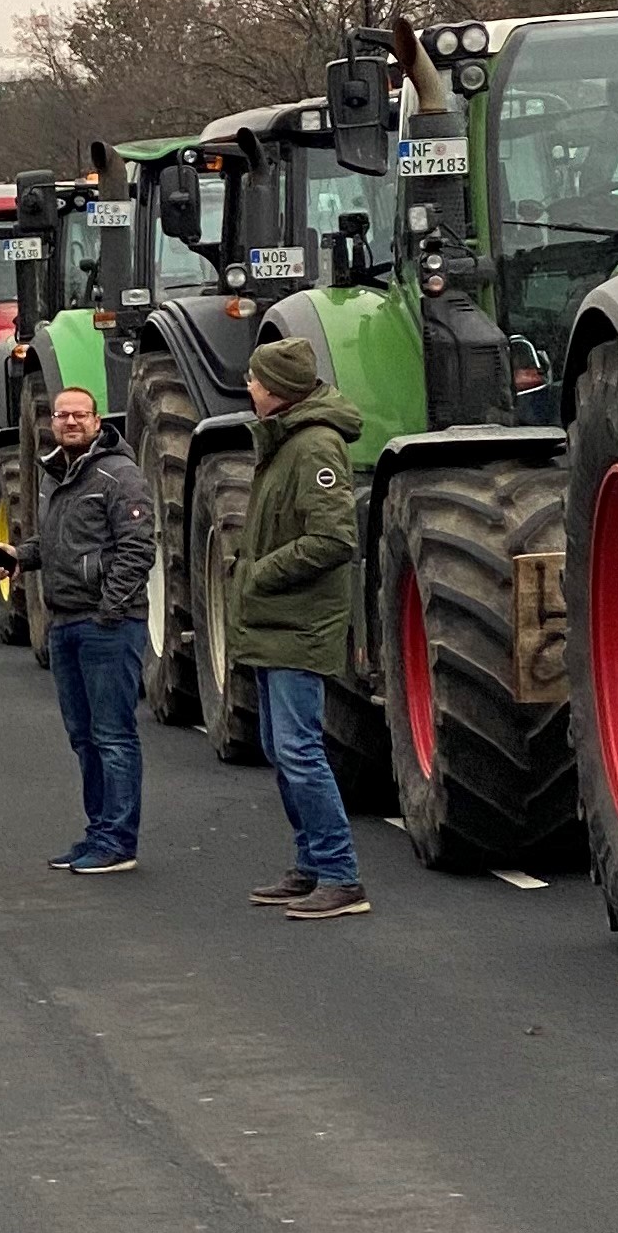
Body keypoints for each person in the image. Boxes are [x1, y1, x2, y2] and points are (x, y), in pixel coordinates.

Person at [230, 337, 371, 921]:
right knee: (278, 748)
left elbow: (334, 540)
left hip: (298, 623)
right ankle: (311, 865)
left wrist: (260, 572)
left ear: (278, 390)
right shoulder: (285, 440)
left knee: (299, 750)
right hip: (273, 622)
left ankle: (341, 875)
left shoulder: (314, 447)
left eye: (255, 379)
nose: (248, 386)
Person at [0, 386, 155, 875]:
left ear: (96, 419)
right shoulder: (57, 474)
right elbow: (60, 545)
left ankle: (118, 841)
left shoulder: (118, 475)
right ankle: (98, 832)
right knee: (83, 737)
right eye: (61, 415)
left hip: (106, 625)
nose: (69, 422)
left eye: (78, 415)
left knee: (113, 736)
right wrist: (20, 557)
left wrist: (109, 611)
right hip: (65, 623)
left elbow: (137, 549)